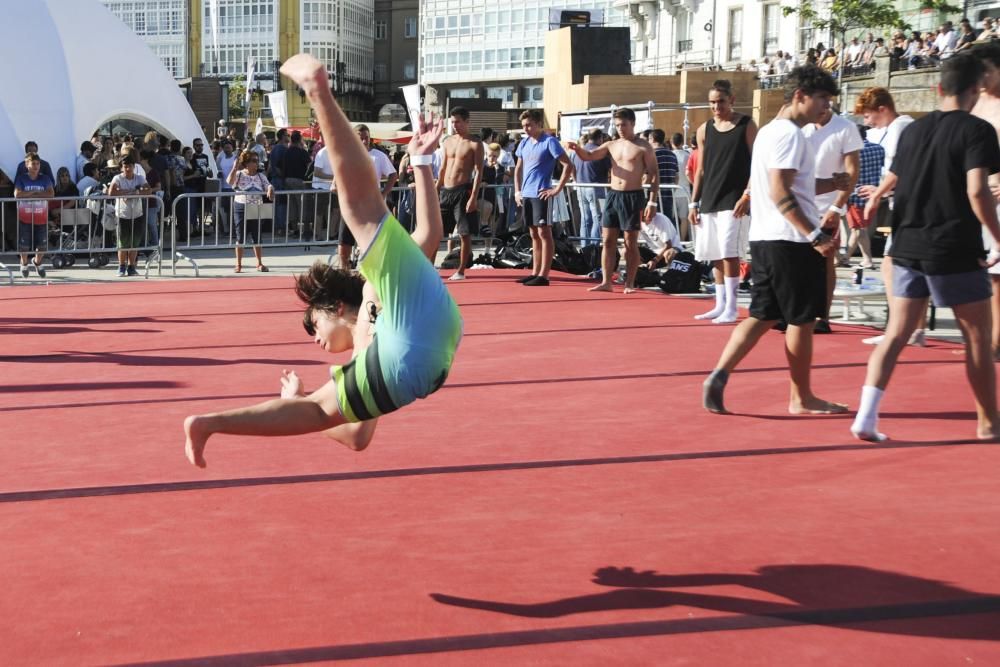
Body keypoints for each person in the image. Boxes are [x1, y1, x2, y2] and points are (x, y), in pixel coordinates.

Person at [184, 53, 462, 468]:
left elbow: (424, 235)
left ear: (335, 308)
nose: (316, 341)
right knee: (375, 218)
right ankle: (207, 424)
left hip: (419, 352)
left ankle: (318, 92)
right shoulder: (368, 351)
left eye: (315, 326)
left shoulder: (371, 296)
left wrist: (300, 403)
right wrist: (420, 163)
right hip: (426, 346)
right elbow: (354, 437)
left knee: (362, 209)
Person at [852, 53, 1000, 442]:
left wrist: (874, 198)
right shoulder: (978, 131)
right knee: (978, 338)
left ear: (938, 88)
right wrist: (998, 236)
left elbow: (896, 174)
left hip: (907, 244)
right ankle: (988, 422)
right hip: (954, 246)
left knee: (896, 334)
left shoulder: (914, 131)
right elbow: (976, 190)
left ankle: (866, 416)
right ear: (976, 90)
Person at [702, 65, 849, 416]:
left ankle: (719, 374)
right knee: (802, 320)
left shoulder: (768, 132)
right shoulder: (791, 135)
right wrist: (814, 236)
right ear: (800, 96)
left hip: (766, 238)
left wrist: (833, 183)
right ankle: (802, 398)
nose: (825, 108)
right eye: (822, 99)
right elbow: (782, 192)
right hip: (791, 242)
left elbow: (791, 185)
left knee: (763, 315)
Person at [853, 87, 920, 346]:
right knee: (910, 267)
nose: (866, 122)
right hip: (902, 202)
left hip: (907, 205)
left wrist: (879, 192)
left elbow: (899, 168)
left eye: (869, 116)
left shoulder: (901, 128)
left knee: (891, 264)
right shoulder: (898, 127)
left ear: (882, 109)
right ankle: (914, 329)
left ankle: (898, 328)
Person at [567, 108, 659, 293]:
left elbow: (655, 174)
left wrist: (652, 202)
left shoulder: (643, 146)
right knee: (607, 240)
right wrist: (577, 148)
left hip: (633, 196)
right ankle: (606, 281)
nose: (620, 128)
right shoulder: (612, 145)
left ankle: (630, 283)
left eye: (623, 124)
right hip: (613, 195)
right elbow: (589, 156)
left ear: (633, 123)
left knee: (630, 242)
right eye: (617, 125)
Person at [689, 80, 757, 324]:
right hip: (710, 198)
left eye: (721, 101)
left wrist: (747, 195)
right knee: (715, 253)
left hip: (735, 198)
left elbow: (756, 163)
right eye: (713, 102)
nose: (717, 106)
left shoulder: (747, 125)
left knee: (730, 253)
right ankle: (719, 305)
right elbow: (701, 170)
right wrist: (693, 203)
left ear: (732, 100)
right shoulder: (704, 129)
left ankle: (732, 307)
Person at [802, 106, 862, 333]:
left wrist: (836, 207)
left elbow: (852, 171)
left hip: (828, 206)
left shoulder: (845, 128)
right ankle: (798, 311)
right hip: (802, 205)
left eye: (824, 101)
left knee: (824, 262)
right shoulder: (803, 128)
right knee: (798, 260)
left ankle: (823, 316)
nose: (820, 107)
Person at [513, 109, 575, 287]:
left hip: (542, 192)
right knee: (533, 233)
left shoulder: (549, 141)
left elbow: (567, 165)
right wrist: (517, 191)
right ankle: (535, 271)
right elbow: (518, 168)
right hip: (527, 193)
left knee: (544, 232)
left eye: (529, 125)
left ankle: (544, 275)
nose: (526, 128)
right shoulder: (524, 143)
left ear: (539, 124)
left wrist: (557, 188)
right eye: (524, 125)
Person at [334, 125, 398, 269]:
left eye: (366, 138)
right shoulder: (346, 154)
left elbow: (393, 175)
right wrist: (337, 186)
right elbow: (338, 175)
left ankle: (369, 272)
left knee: (370, 242)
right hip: (350, 205)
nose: (364, 141)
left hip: (370, 205)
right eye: (360, 138)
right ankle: (344, 270)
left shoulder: (378, 156)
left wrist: (383, 194)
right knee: (344, 242)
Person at [972, 43, 1000, 359]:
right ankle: (986, 339)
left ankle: (995, 343)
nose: (981, 78)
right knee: (982, 273)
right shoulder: (974, 104)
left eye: (987, 71)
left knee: (997, 278)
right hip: (976, 201)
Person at [437, 106, 484, 280]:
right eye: (452, 122)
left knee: (464, 233)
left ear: (466, 121)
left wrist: (473, 197)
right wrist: (437, 187)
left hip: (463, 190)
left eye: (457, 121)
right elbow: (442, 167)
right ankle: (431, 268)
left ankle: (461, 271)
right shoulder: (447, 141)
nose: (455, 125)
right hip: (446, 191)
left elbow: (479, 171)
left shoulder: (475, 143)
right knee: (437, 233)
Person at [843, 125, 885, 270]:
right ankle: (846, 257)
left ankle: (867, 259)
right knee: (859, 228)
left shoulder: (852, 153)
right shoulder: (879, 149)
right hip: (873, 195)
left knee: (860, 229)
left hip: (855, 194)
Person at [226, 149, 274, 273]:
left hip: (256, 206)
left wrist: (270, 188)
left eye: (257, 161)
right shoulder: (240, 174)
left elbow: (268, 184)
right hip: (241, 206)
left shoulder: (260, 175)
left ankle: (259, 263)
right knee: (240, 236)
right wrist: (234, 168)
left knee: (257, 235)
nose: (256, 163)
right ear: (246, 162)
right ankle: (238, 264)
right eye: (253, 161)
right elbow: (229, 182)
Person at [108, 155, 150, 277]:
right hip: (122, 214)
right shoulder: (118, 178)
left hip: (137, 214)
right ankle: (121, 266)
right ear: (122, 167)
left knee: (134, 242)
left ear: (134, 167)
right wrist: (127, 192)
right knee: (122, 243)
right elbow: (111, 192)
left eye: (130, 166)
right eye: (125, 166)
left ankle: (132, 266)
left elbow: (148, 190)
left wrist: (137, 192)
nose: (128, 169)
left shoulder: (139, 178)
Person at [13, 152, 54, 278]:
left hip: (40, 216)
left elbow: (51, 194)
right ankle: (24, 263)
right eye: (33, 163)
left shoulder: (45, 178)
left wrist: (29, 193)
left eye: (37, 163)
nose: (36, 166)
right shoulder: (21, 178)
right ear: (27, 165)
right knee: (24, 245)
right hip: (25, 216)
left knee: (41, 244)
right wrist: (36, 192)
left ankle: (37, 262)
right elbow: (17, 194)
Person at [571, 127, 611, 248]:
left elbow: (572, 168)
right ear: (600, 138)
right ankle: (593, 248)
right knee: (599, 219)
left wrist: (576, 180)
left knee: (585, 219)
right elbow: (610, 169)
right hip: (597, 188)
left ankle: (585, 248)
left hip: (581, 187)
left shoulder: (578, 152)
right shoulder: (600, 152)